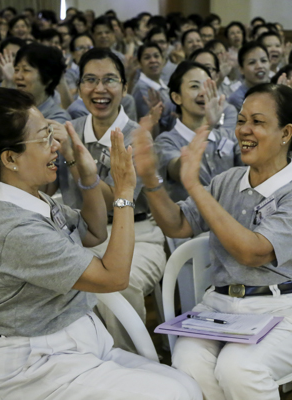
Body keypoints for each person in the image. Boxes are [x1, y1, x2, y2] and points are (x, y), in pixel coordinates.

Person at [0, 87, 201, 400]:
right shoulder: (15, 229)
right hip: (40, 366)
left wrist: (88, 175)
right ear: (10, 158)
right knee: (173, 395)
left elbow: (94, 233)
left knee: (189, 386)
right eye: (44, 138)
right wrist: (123, 193)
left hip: (77, 343)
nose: (56, 145)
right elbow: (114, 277)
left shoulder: (34, 199)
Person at [133, 82, 292, 399]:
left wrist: (194, 186)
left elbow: (253, 252)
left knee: (238, 368)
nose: (244, 131)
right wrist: (150, 180)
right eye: (240, 120)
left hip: (285, 307)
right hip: (222, 305)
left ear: (286, 133)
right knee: (187, 363)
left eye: (257, 122)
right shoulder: (226, 181)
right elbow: (178, 224)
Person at [54, 48, 167, 353]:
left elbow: (118, 201)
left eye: (109, 80)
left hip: (137, 235)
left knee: (121, 283)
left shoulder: (139, 138)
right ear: (79, 90)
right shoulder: (69, 132)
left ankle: (133, 363)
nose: (99, 89)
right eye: (90, 80)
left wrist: (75, 160)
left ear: (124, 88)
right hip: (81, 235)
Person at [156, 61, 242, 202]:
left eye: (207, 86)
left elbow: (255, 165)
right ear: (177, 97)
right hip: (189, 222)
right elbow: (180, 171)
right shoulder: (165, 141)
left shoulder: (227, 136)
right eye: (194, 86)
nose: (203, 93)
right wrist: (207, 127)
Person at [13, 43, 70, 123]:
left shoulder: (57, 118)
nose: (18, 76)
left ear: (48, 78)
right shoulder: (11, 110)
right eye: (16, 70)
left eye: (26, 70)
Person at [132, 43, 176, 132]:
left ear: (163, 60)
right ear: (139, 63)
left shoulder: (163, 84)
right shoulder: (142, 89)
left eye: (156, 56)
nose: (153, 60)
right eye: (147, 58)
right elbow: (147, 127)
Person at [190, 48, 238, 131]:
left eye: (208, 68)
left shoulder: (228, 110)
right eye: (196, 68)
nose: (202, 73)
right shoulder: (180, 104)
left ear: (217, 75)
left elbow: (226, 141)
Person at [227, 41, 270, 111]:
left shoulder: (275, 90)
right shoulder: (237, 98)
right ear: (241, 69)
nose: (259, 66)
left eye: (263, 61)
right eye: (252, 62)